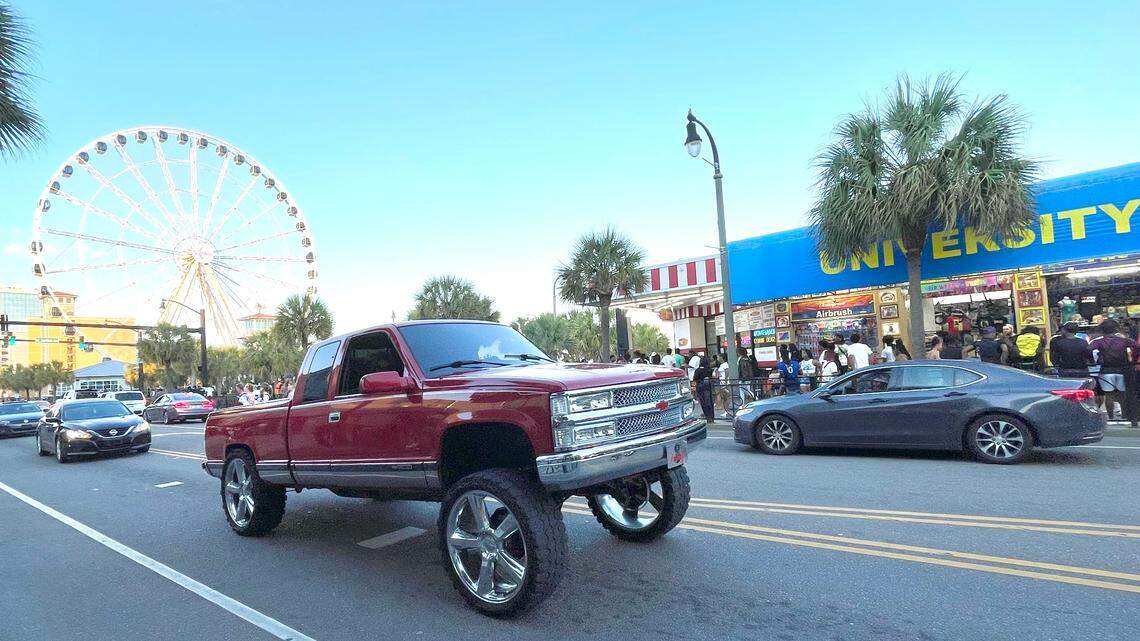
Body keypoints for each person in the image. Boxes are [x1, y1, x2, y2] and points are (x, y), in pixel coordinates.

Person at [1090, 319, 1136, 421]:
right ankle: (1125, 417)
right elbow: (1136, 346)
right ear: (1116, 329)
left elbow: (1089, 350)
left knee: (1108, 395)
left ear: (1102, 330)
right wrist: (1133, 359)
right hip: (1122, 370)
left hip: (1105, 371)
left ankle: (1111, 418)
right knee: (1122, 395)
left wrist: (1094, 360)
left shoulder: (1098, 341)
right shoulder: (1124, 340)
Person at [693, 355, 715, 421]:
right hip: (708, 387)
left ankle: (707, 415)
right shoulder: (709, 370)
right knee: (710, 401)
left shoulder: (698, 370)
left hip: (700, 387)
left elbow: (695, 378)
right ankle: (711, 416)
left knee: (703, 402)